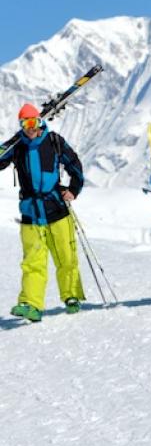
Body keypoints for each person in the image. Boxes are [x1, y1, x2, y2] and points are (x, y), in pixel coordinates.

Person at [0, 103, 85, 322]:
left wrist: (73, 190)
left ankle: (72, 296)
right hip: (30, 212)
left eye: (33, 122)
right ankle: (31, 304)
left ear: (40, 121)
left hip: (56, 208)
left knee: (66, 257)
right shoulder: (17, 146)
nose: (30, 127)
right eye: (25, 123)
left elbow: (74, 165)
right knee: (33, 261)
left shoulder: (54, 141)